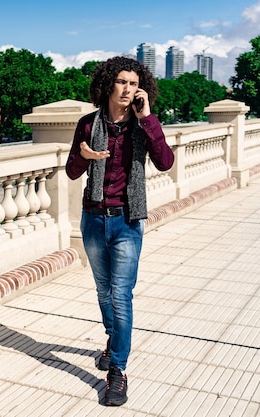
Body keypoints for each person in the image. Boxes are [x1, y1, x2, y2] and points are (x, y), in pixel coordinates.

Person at [65, 56, 174, 406]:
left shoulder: (143, 125)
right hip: (94, 219)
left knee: (121, 294)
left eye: (134, 83)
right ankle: (113, 342)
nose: (128, 89)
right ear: (109, 84)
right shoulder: (88, 123)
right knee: (102, 290)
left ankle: (119, 371)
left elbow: (166, 162)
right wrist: (83, 156)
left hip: (128, 220)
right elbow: (70, 171)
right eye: (122, 82)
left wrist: (148, 118)